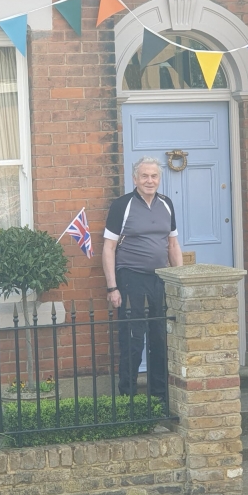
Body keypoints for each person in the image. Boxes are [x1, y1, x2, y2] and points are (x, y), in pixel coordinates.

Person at [102, 156, 183, 401]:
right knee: (132, 338)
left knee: (160, 337)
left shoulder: (166, 204)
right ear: (135, 179)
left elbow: (173, 245)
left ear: (159, 178)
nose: (150, 180)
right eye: (145, 176)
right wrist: (112, 287)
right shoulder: (122, 205)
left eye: (154, 176)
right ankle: (128, 397)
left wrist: (179, 281)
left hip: (160, 279)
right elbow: (108, 248)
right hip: (130, 279)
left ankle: (159, 395)